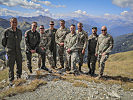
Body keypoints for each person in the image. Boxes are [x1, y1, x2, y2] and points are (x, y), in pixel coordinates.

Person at [2, 17, 22, 86]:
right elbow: (3, 42)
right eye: (13, 22)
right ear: (10, 23)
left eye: (15, 22)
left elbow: (20, 40)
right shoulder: (6, 31)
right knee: (11, 67)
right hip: (10, 52)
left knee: (19, 65)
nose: (14, 23)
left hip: (18, 51)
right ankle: (11, 80)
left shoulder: (19, 31)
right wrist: (9, 48)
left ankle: (19, 78)